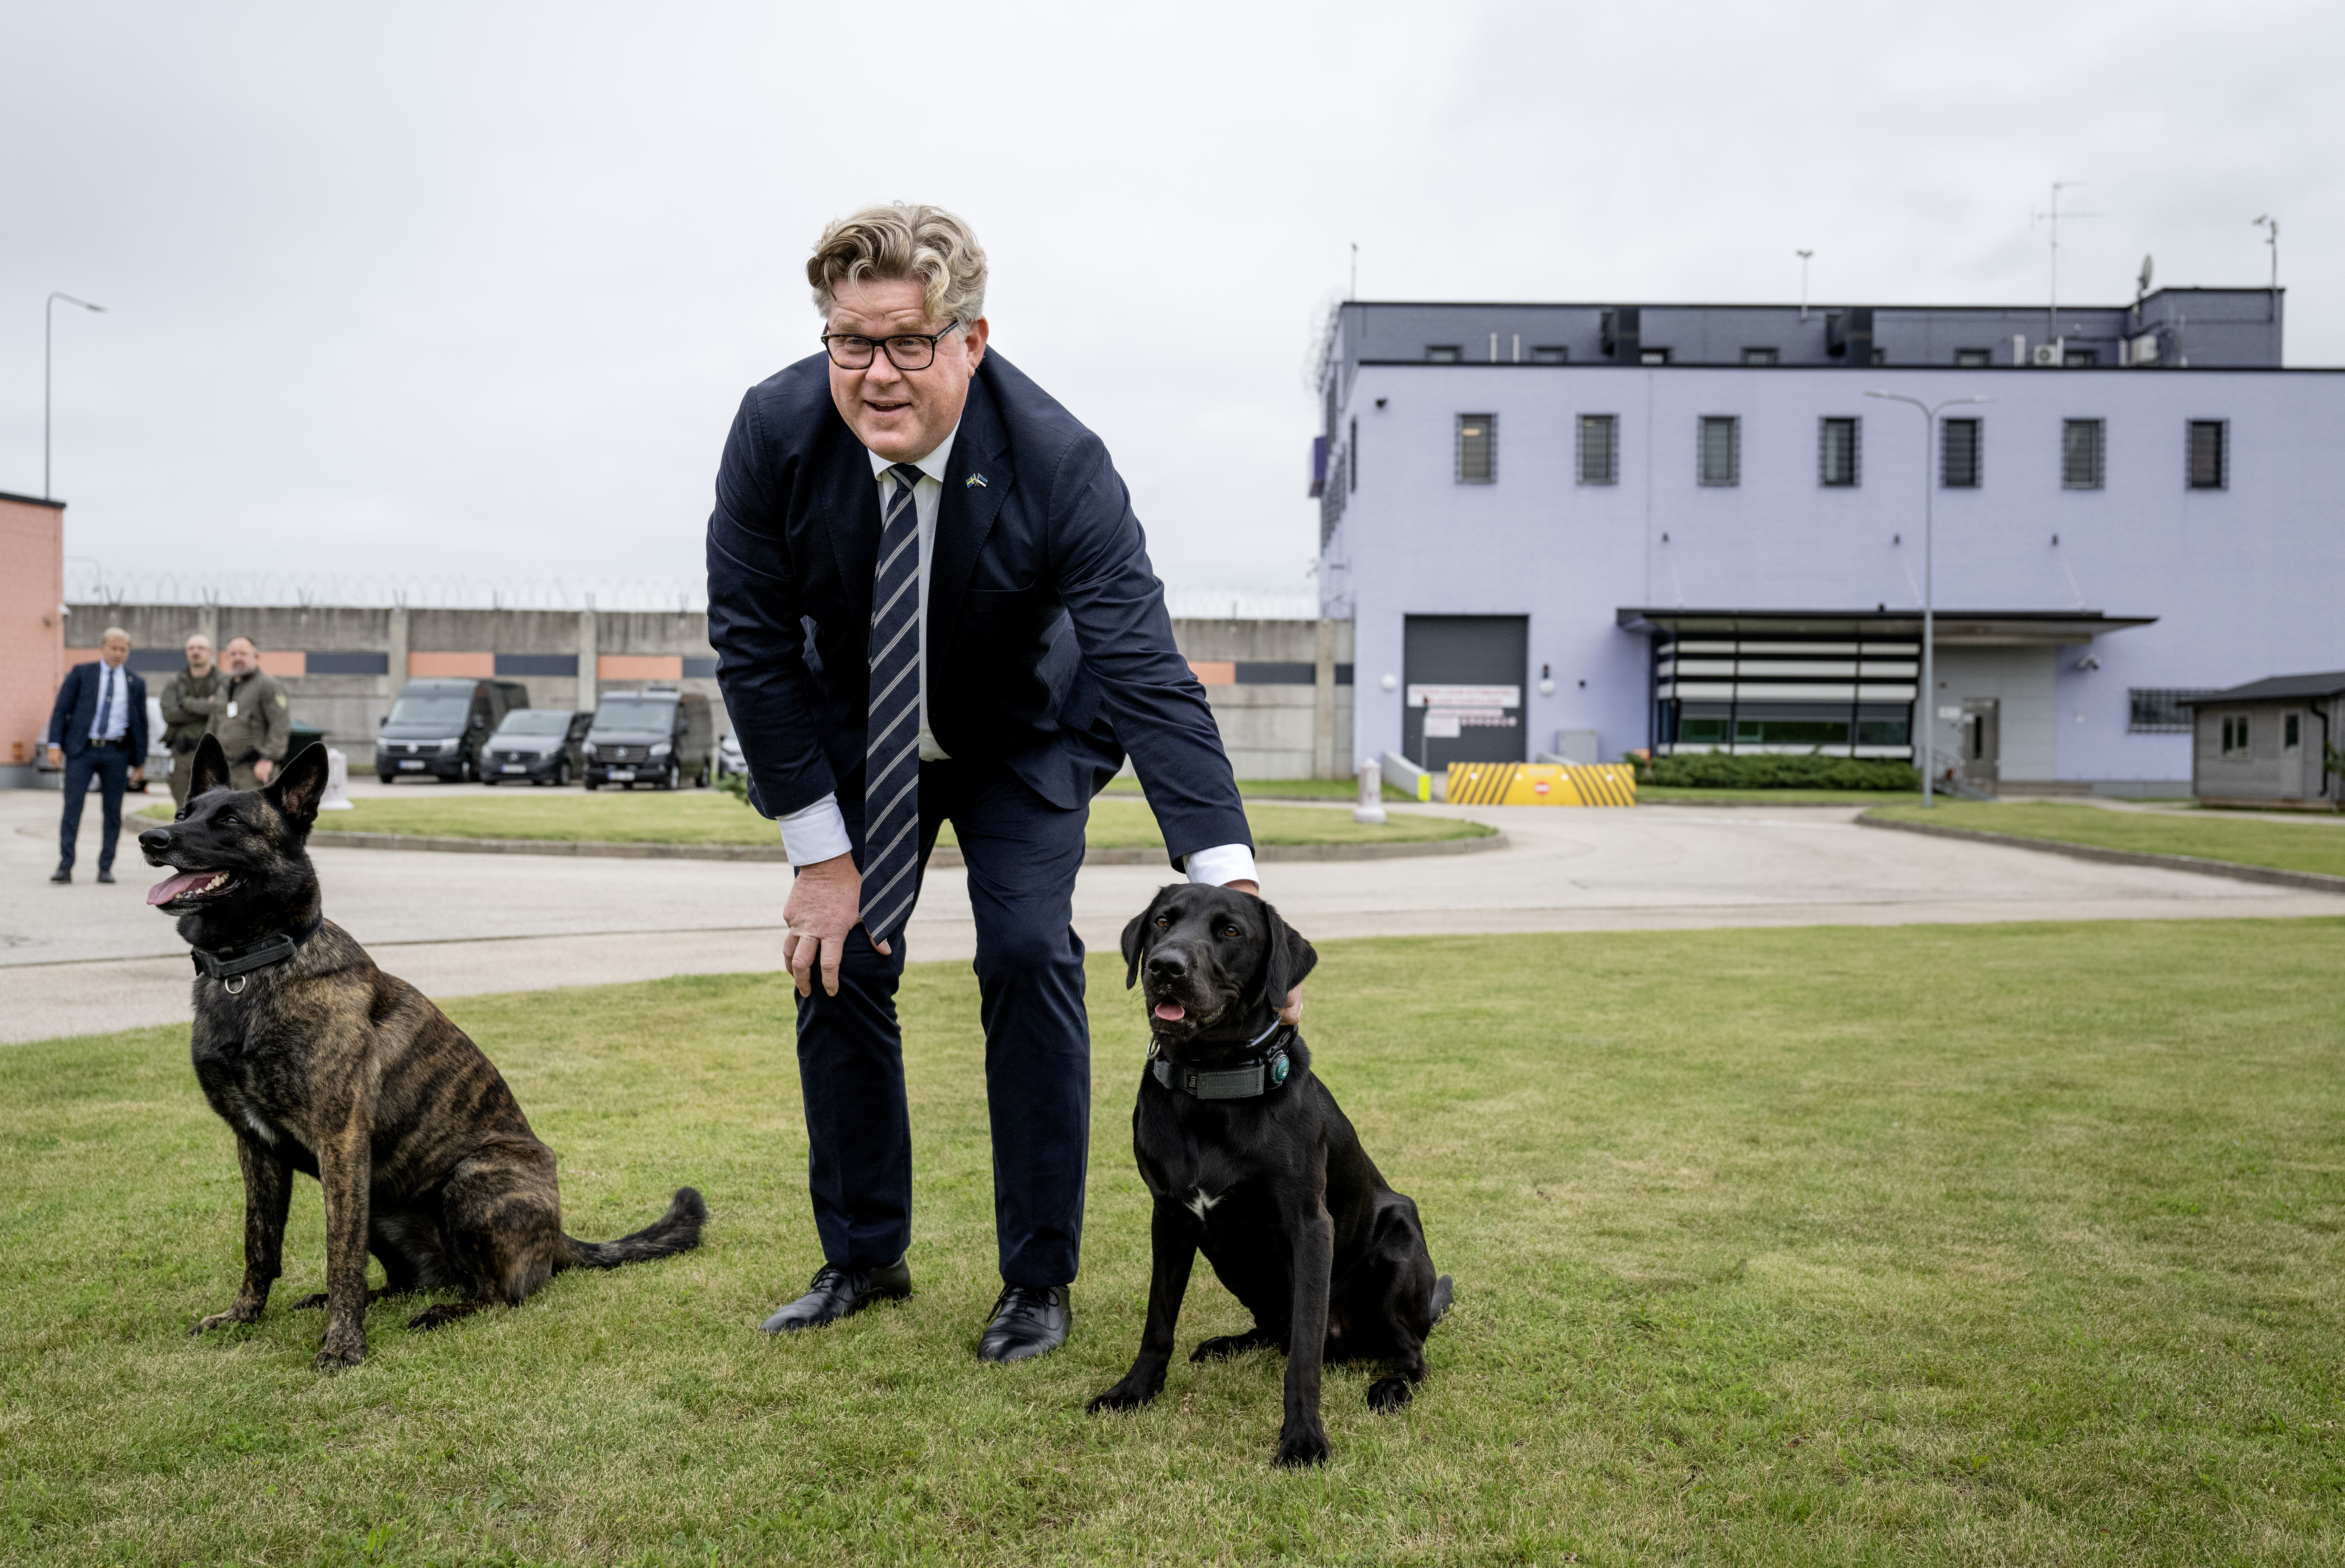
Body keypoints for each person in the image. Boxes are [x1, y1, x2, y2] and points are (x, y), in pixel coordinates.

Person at [708, 204, 1301, 1362]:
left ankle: (1037, 1278)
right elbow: (753, 644)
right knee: (839, 959)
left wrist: (1239, 891)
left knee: (1027, 952)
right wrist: (820, 862)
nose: (877, 375)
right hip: (857, 739)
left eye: (910, 343)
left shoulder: (1058, 459)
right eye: (850, 343)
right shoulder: (774, 431)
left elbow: (1143, 669)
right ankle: (864, 1254)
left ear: (973, 340)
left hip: (1024, 735)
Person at [45, 626, 148, 885]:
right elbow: (61, 711)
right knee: (73, 807)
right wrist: (54, 745)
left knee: (113, 812)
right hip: (82, 750)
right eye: (113, 648)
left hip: (117, 752)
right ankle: (65, 865)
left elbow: (141, 723)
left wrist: (140, 761)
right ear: (102, 648)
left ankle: (106, 867)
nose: (118, 653)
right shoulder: (82, 673)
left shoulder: (136, 682)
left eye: (123, 649)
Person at [209, 635, 291, 792]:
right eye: (233, 654)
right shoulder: (224, 688)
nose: (238, 658)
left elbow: (280, 726)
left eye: (243, 654)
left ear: (257, 657)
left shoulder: (269, 686)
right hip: (225, 770)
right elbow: (213, 725)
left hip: (254, 770)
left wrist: (269, 759)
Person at [158, 632, 223, 808]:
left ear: (211, 653)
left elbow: (220, 709)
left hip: (213, 754)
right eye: (191, 648)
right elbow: (170, 715)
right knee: (183, 806)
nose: (196, 652)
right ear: (187, 653)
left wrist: (185, 703)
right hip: (182, 753)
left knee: (213, 806)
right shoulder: (175, 682)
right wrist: (206, 708)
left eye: (201, 648)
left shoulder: (224, 681)